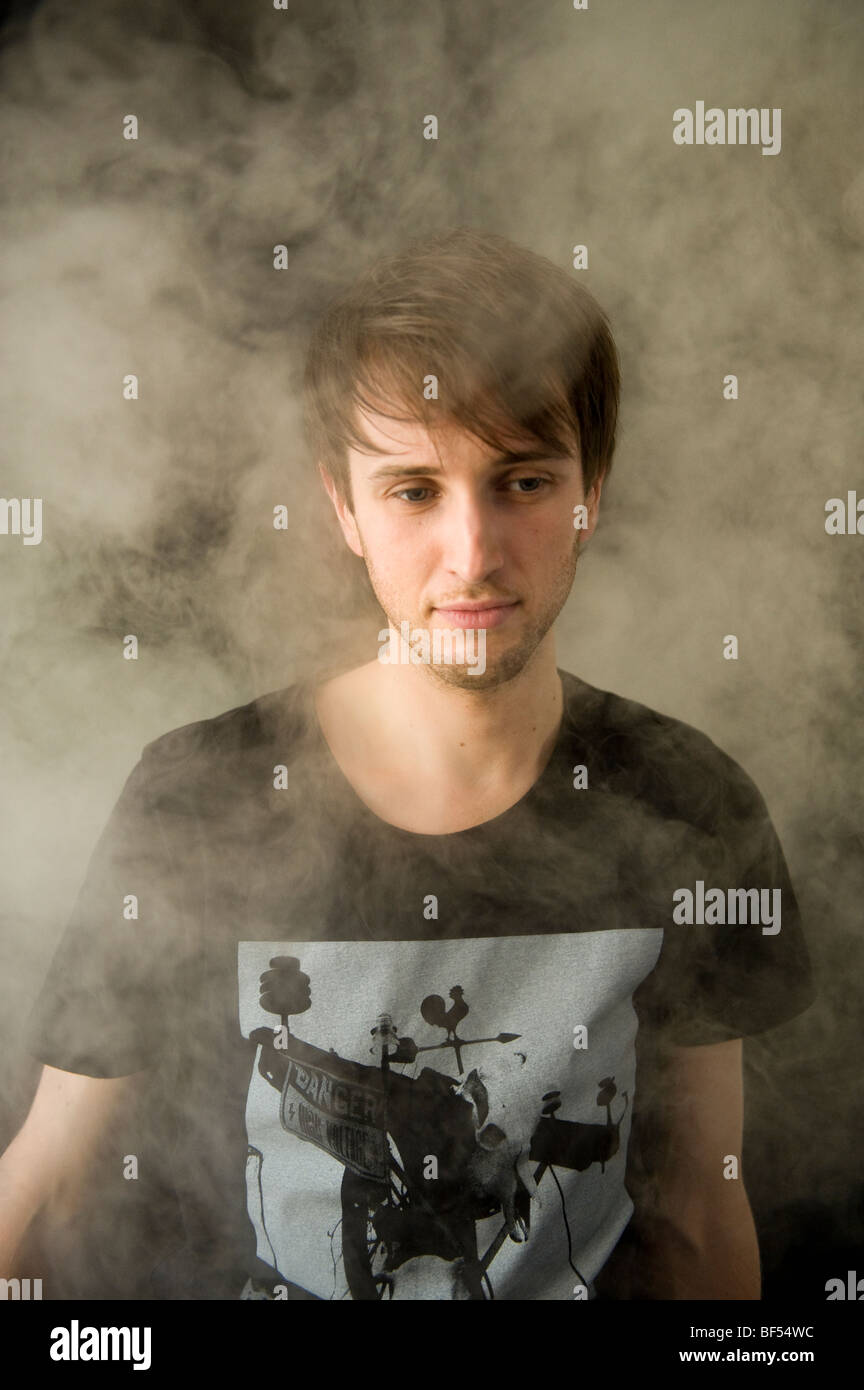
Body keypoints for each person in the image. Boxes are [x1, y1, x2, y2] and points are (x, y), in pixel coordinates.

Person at [0, 227, 815, 1301]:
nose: (472, 554)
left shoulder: (689, 799)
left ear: (592, 492)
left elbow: (700, 1212)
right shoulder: (200, 789)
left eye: (522, 481)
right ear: (343, 506)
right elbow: (51, 1183)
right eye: (414, 490)